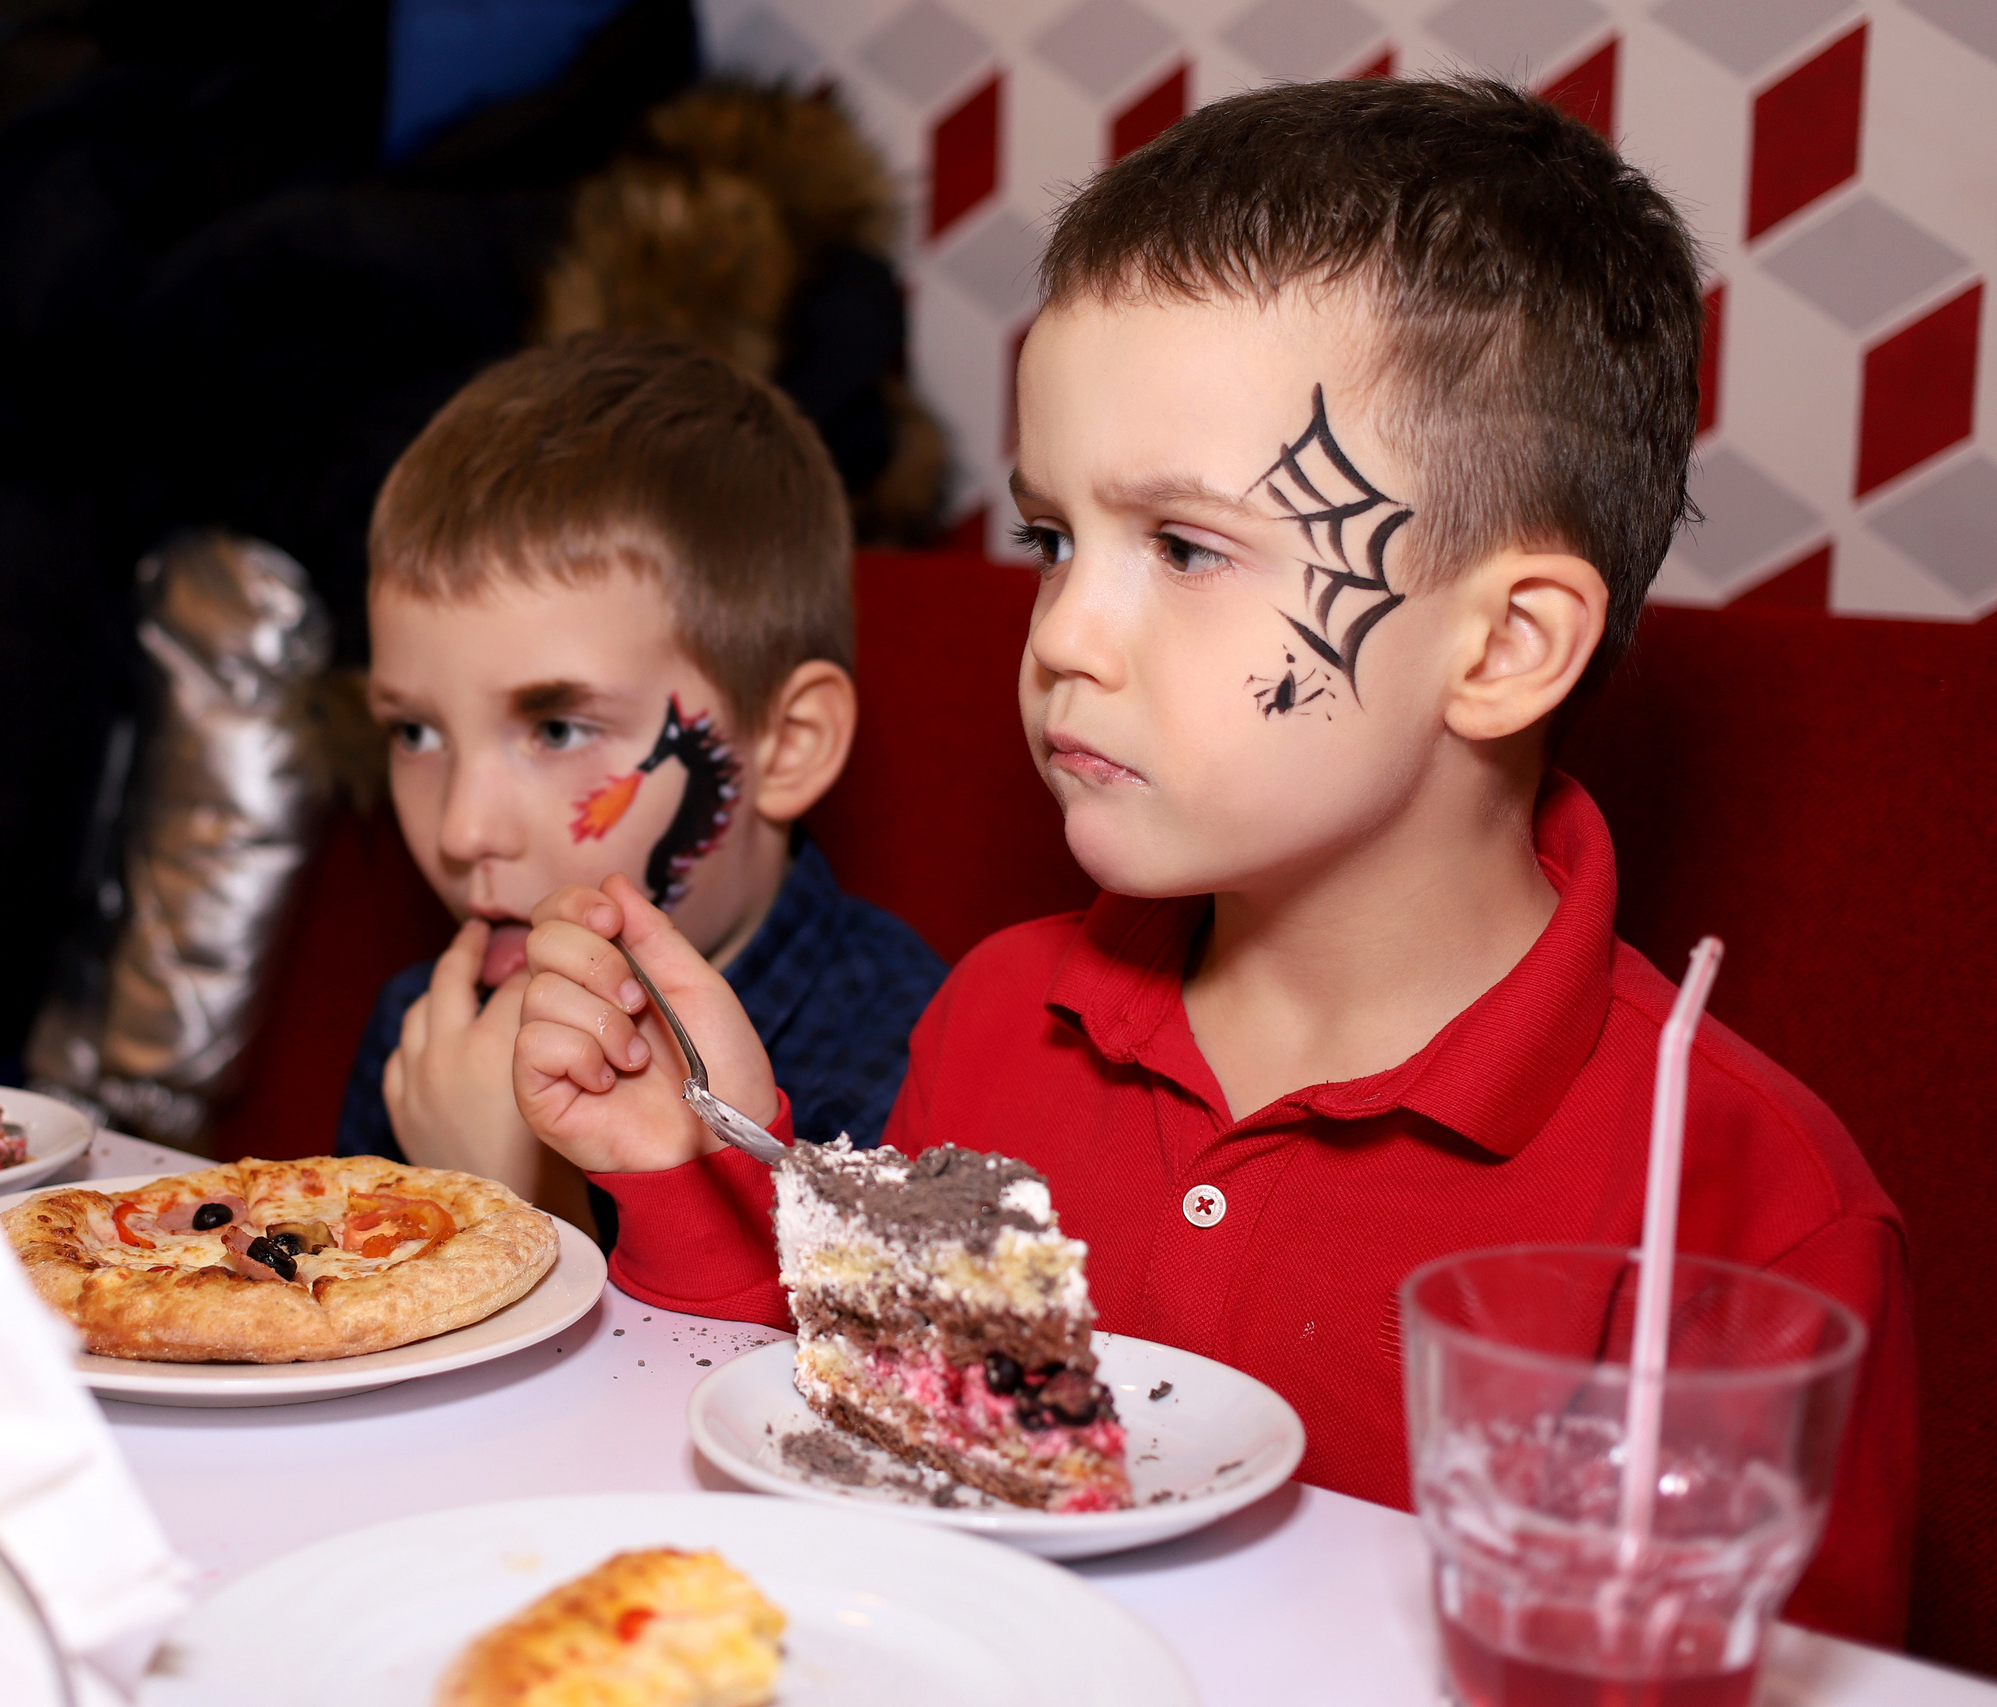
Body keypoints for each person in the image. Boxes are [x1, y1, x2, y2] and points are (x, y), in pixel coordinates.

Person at [506, 80, 1915, 1645]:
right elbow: (914, 1498)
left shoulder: (1749, 1213)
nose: (1063, 638)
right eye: (1055, 538)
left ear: (1506, 645)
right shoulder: (1001, 1022)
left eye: (1183, 547)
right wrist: (682, 1165)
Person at [336, 334, 947, 1235]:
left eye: (556, 728)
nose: (463, 829)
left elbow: (771, 1376)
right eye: (416, 732)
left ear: (786, 744)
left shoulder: (907, 1066)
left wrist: (510, 1201)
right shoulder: (426, 1033)